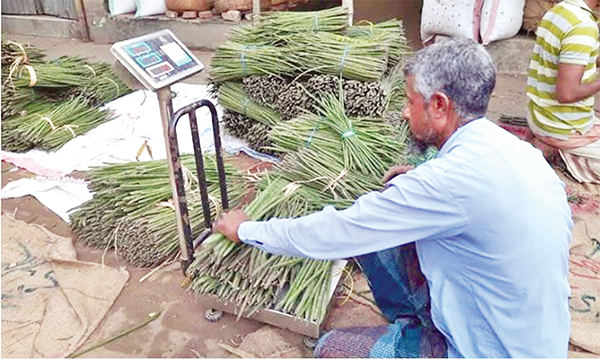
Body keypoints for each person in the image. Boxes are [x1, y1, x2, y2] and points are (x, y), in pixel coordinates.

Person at [214, 38, 573, 358]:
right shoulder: (518, 152)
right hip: (533, 336)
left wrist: (248, 230)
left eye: (409, 100)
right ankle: (415, 320)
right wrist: (418, 180)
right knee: (379, 231)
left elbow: (337, 232)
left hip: (487, 349)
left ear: (439, 105)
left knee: (331, 349)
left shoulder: (445, 183)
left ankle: (425, 341)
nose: (404, 112)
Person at [526, 0, 600, 183]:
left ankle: (549, 145)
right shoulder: (582, 26)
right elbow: (567, 94)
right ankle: (558, 154)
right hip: (562, 128)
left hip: (541, 116)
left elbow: (575, 57)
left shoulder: (559, 11)